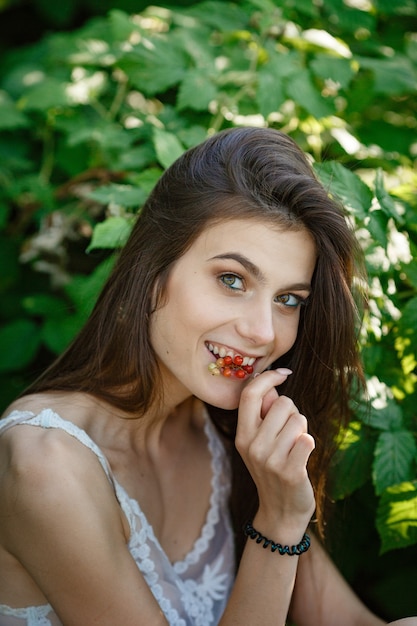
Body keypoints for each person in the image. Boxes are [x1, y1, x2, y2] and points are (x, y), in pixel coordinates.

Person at [0, 127, 415, 626]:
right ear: (153, 270)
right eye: (232, 280)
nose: (263, 332)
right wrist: (280, 523)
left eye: (288, 300)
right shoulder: (44, 465)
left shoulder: (228, 433)